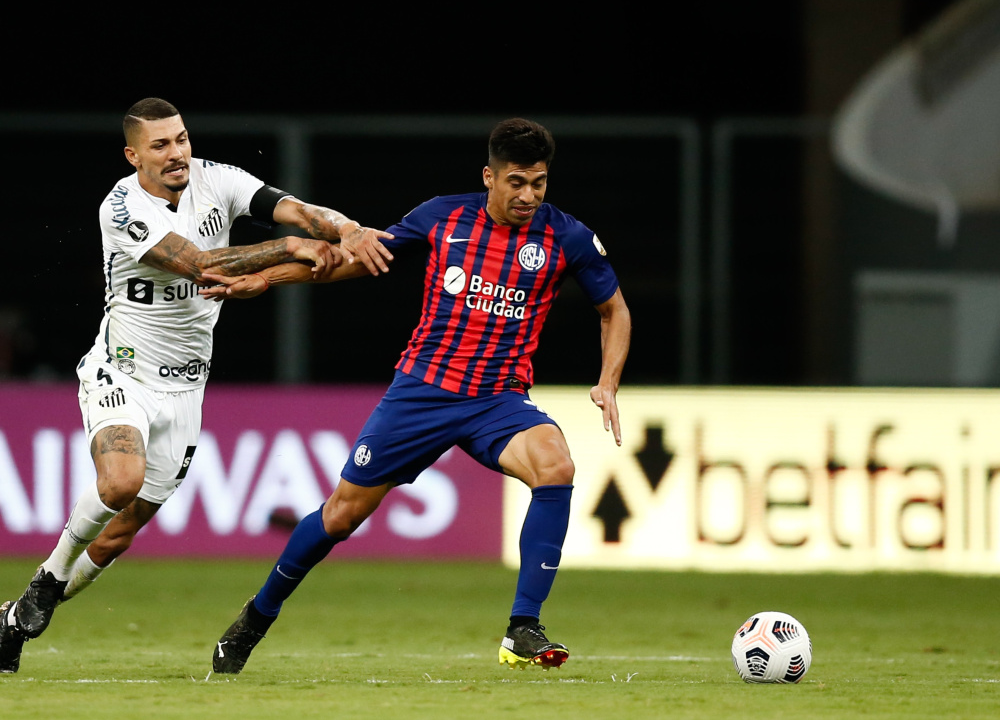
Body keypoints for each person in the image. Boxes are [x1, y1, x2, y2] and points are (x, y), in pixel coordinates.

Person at [203, 117, 631, 675]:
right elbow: (359, 260)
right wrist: (271, 278)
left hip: (497, 400)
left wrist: (608, 381)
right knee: (340, 515)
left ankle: (523, 627)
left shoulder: (566, 237)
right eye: (518, 182)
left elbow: (614, 309)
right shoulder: (441, 216)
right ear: (490, 177)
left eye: (540, 183)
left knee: (555, 465)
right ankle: (256, 617)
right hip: (422, 393)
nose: (529, 195)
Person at [0, 97, 394, 674]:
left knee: (116, 538)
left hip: (186, 389)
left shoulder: (222, 180)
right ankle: (43, 583)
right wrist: (288, 248)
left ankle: (12, 624)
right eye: (160, 145)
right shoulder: (122, 206)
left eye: (181, 138)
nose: (177, 152)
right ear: (134, 155)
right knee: (120, 480)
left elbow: (296, 210)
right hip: (122, 371)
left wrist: (350, 230)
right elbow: (202, 265)